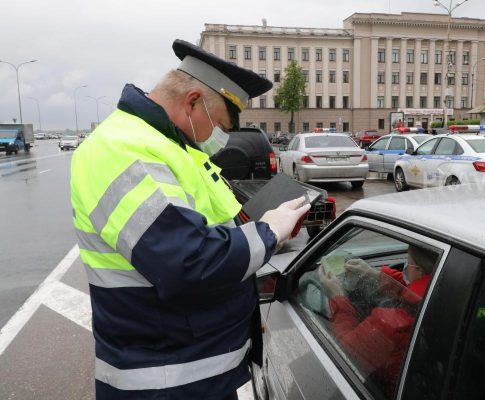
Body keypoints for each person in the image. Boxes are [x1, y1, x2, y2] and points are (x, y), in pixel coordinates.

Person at [70, 39, 310, 400]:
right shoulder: (119, 149)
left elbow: (214, 229)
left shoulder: (175, 148)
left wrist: (272, 226)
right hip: (162, 382)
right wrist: (269, 231)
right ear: (193, 101)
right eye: (222, 125)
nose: (223, 138)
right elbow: (188, 261)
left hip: (194, 372)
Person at [319, 245, 437, 398]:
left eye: (408, 262)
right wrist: (376, 275)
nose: (405, 268)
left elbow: (347, 349)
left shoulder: (395, 323)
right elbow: (414, 293)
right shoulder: (446, 289)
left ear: (420, 270)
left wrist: (337, 297)